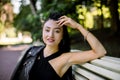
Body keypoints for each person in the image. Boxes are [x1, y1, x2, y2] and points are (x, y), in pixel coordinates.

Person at [11, 12, 107, 80]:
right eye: (47, 30)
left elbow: (100, 52)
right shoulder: (33, 51)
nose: (51, 35)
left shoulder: (65, 58)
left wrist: (78, 26)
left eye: (57, 31)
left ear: (62, 36)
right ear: (42, 31)